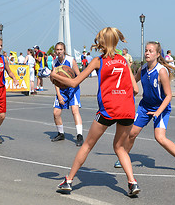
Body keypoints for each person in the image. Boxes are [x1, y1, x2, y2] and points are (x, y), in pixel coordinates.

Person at [51, 27, 141, 197]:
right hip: (128, 108)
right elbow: (135, 89)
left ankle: (69, 181)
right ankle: (132, 183)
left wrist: (55, 76)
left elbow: (74, 82)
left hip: (109, 109)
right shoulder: (124, 60)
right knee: (120, 147)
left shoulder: (98, 61)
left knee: (87, 145)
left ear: (103, 42)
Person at [114, 41, 175, 174]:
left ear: (157, 54)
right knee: (132, 133)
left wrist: (158, 112)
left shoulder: (161, 71)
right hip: (144, 106)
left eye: (150, 51)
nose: (147, 53)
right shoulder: (142, 69)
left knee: (159, 137)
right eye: (146, 50)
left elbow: (168, 96)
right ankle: (124, 156)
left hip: (160, 107)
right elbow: (132, 82)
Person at [51, 42, 84, 146]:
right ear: (55, 51)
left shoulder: (70, 60)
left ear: (64, 50)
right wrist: (59, 95)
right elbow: (55, 80)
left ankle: (79, 135)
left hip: (72, 88)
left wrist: (72, 82)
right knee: (56, 113)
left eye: (61, 49)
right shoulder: (54, 63)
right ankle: (61, 133)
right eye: (57, 50)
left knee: (74, 111)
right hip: (61, 89)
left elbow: (79, 76)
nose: (59, 51)